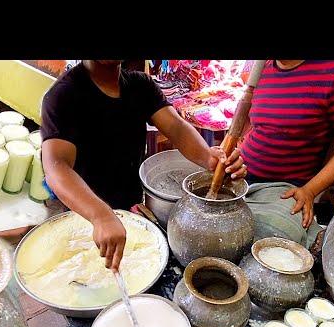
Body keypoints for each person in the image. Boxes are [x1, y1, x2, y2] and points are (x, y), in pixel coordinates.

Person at [40, 60, 246, 271]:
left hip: (131, 213)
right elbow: (56, 167)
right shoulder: (62, 96)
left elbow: (176, 128)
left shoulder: (140, 86)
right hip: (85, 220)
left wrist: (209, 158)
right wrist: (101, 215)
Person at [231, 60, 334, 246]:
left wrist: (311, 190)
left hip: (285, 189)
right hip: (240, 177)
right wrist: (234, 152)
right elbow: (258, 123)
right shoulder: (263, 67)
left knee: (269, 238)